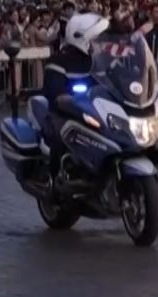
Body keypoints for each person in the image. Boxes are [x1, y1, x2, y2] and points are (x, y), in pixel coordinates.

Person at [40, 11, 108, 177]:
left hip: (96, 111)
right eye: (96, 38)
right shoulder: (59, 60)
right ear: (82, 38)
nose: (100, 42)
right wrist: (66, 99)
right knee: (61, 134)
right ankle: (54, 178)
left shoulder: (100, 60)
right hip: (67, 113)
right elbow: (55, 93)